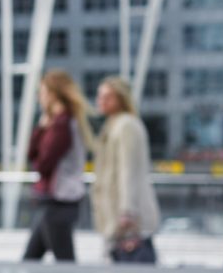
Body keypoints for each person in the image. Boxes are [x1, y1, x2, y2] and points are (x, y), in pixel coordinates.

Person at [21, 70, 93, 263]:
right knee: (30, 260)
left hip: (59, 203)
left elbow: (43, 164)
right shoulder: (59, 122)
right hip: (55, 202)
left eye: (42, 92)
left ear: (53, 94)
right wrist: (42, 127)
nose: (39, 97)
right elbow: (32, 156)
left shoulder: (62, 125)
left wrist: (44, 129)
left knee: (63, 262)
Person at [91, 76, 160, 264]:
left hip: (126, 215)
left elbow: (128, 170)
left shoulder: (126, 126)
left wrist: (127, 211)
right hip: (117, 212)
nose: (101, 101)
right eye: (100, 96)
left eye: (108, 97)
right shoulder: (113, 125)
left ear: (121, 99)